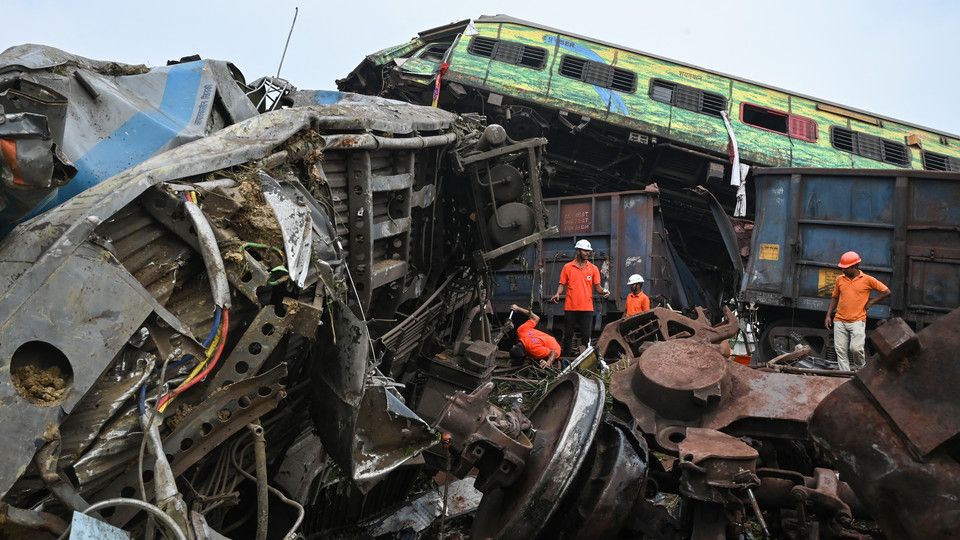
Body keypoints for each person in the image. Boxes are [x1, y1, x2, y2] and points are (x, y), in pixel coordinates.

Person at [824, 251, 890, 371]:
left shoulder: (867, 280)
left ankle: (861, 371)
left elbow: (886, 291)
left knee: (856, 349)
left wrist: (871, 302)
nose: (843, 270)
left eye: (845, 268)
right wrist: (828, 314)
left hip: (857, 321)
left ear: (854, 267)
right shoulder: (840, 280)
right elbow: (835, 297)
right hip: (839, 320)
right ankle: (845, 377)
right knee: (840, 351)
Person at [550, 239, 609, 354]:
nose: (587, 253)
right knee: (568, 335)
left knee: (586, 336)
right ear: (577, 251)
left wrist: (604, 291)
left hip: (587, 308)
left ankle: (584, 361)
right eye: (585, 251)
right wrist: (558, 293)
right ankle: (565, 360)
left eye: (589, 251)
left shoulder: (593, 269)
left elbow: (598, 287)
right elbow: (562, 284)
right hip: (570, 307)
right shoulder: (567, 267)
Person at [506, 304, 562, 368]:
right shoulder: (521, 330)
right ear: (514, 346)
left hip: (555, 350)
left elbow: (553, 353)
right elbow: (536, 318)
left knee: (537, 365)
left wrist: (548, 363)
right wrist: (518, 308)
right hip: (548, 340)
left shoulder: (534, 350)